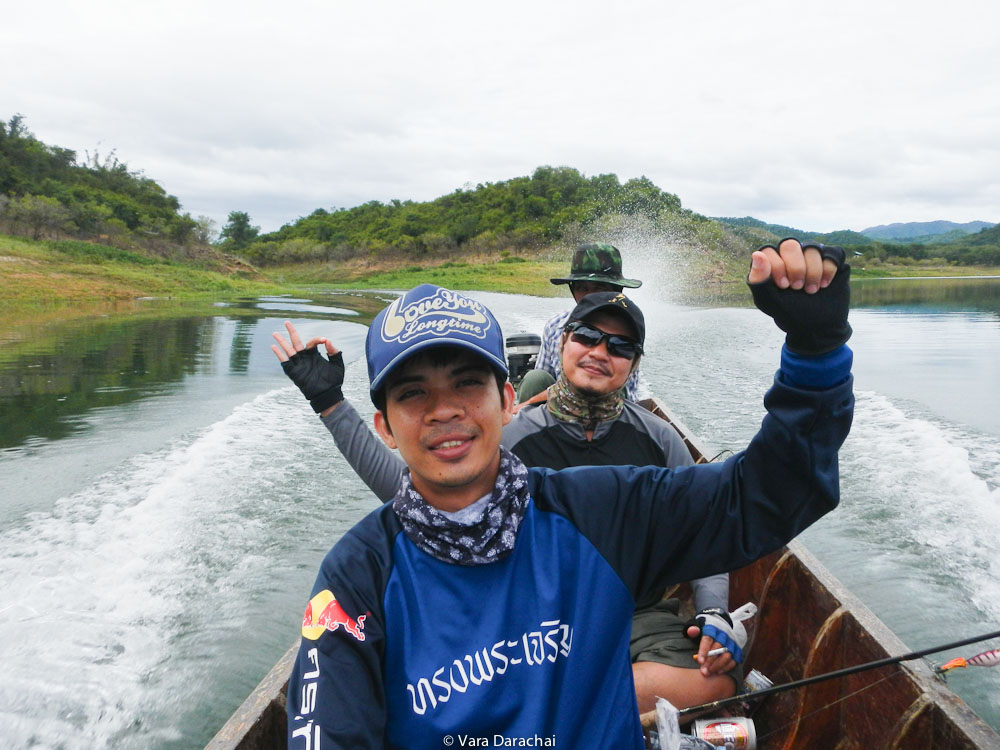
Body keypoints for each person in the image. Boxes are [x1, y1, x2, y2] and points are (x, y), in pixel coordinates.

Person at [274, 239, 854, 749]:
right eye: (413, 393)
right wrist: (330, 406)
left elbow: (765, 497)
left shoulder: (601, 511)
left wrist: (815, 352)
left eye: (467, 384)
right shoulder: (358, 575)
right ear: (386, 426)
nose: (445, 410)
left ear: (505, 399)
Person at [274, 291, 742, 713]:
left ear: (634, 364)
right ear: (562, 344)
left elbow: (706, 530)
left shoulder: (660, 440)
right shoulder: (507, 436)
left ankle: (554, 707)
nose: (601, 352)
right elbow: (416, 489)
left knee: (714, 680)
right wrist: (331, 406)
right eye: (587, 336)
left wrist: (713, 611)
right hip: (523, 615)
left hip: (633, 612)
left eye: (619, 346)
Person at [520, 242, 643, 403]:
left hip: (610, 412)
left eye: (599, 288)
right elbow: (543, 377)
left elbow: (627, 394)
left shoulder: (628, 329)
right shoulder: (555, 325)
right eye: (582, 288)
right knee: (535, 378)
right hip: (558, 411)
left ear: (616, 291)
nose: (590, 296)